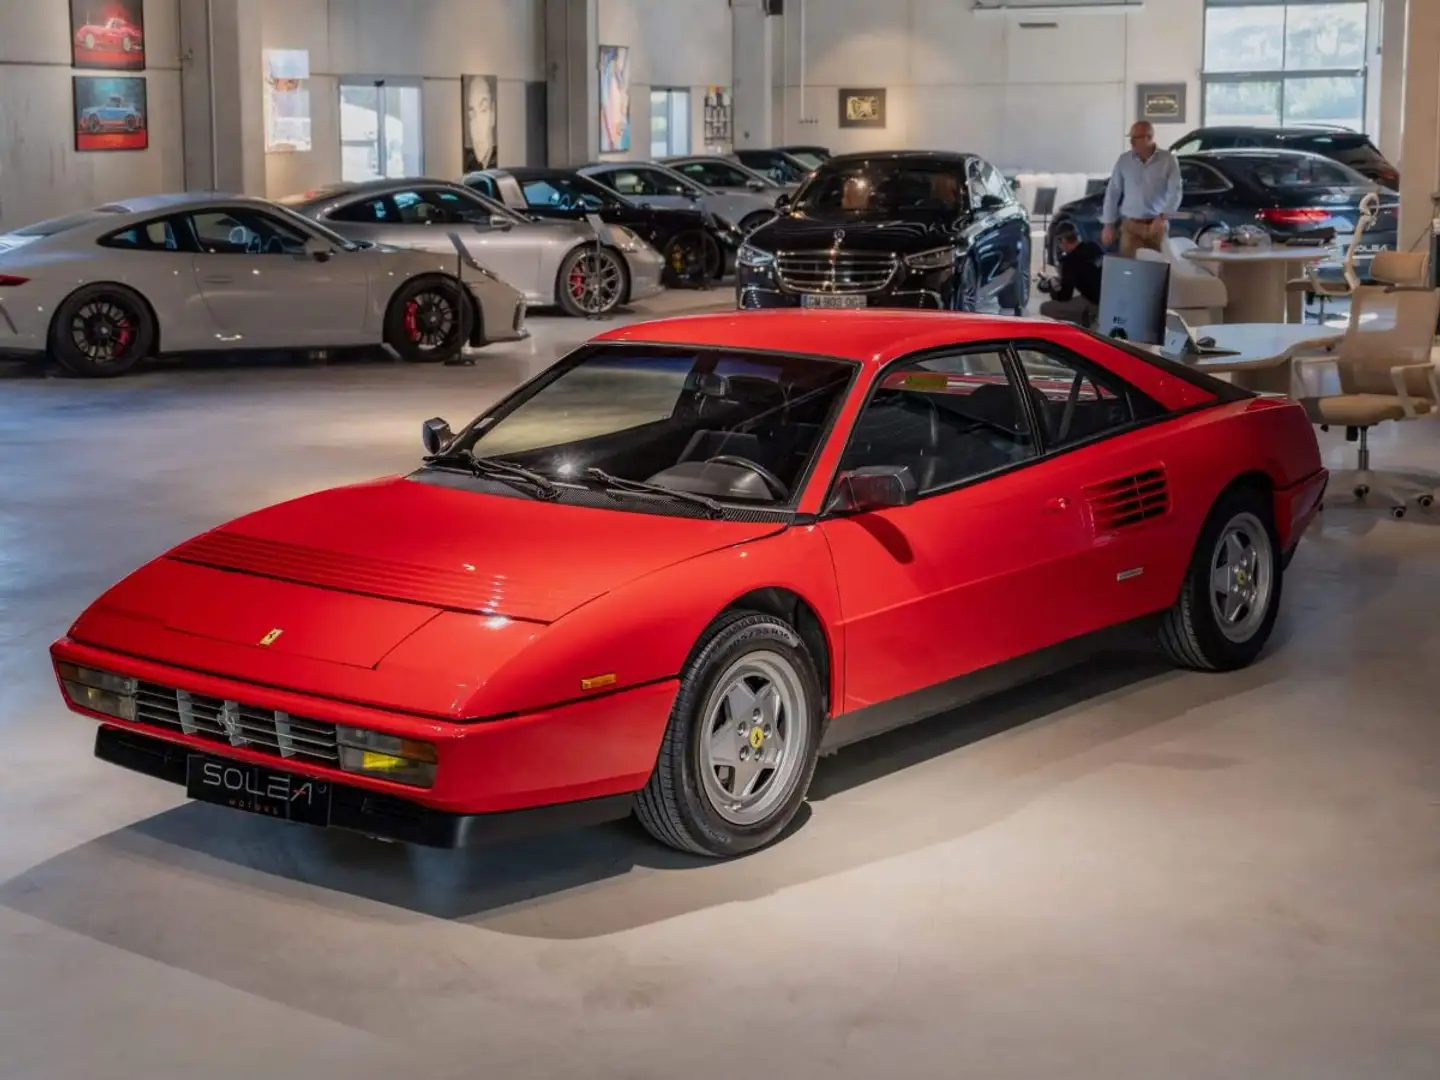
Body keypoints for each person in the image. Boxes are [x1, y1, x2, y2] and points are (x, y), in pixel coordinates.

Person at [1101, 121, 1182, 258]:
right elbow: (1113, 192)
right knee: (1130, 270)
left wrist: (1163, 217)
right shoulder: (1124, 161)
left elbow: (1175, 191)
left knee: (1158, 270)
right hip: (1131, 225)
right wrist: (1108, 224)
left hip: (1157, 225)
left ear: (1149, 137)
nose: (1132, 142)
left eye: (1136, 138)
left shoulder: (1167, 160)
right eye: (1130, 138)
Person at [1038, 222, 1104, 326]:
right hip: (1106, 297)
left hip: (1093, 303)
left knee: (1045, 307)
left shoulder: (1069, 262)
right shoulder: (1093, 247)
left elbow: (1065, 296)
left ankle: (1085, 320)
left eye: (1059, 242)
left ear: (1063, 241)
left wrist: (1053, 287)